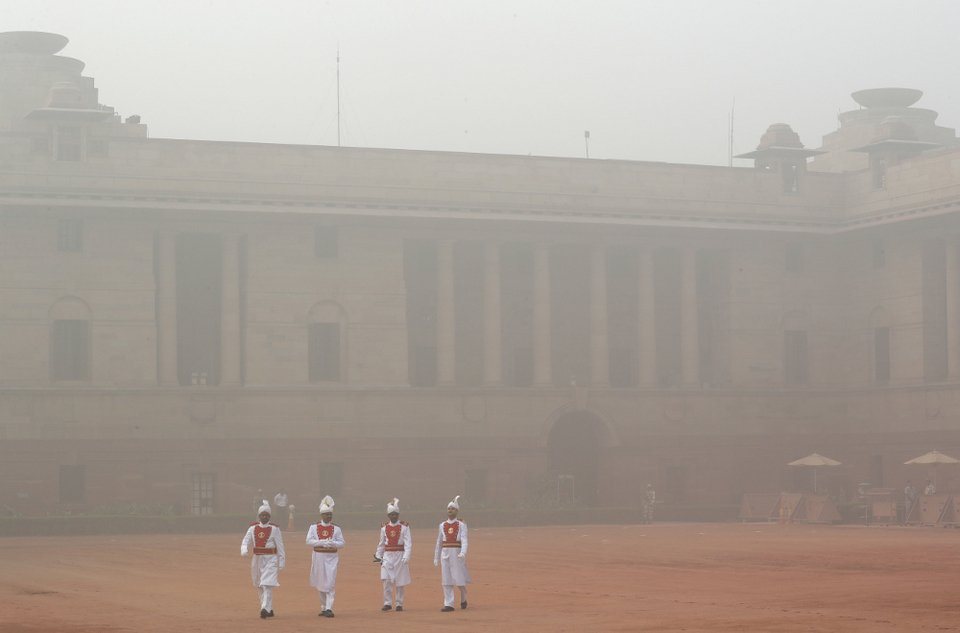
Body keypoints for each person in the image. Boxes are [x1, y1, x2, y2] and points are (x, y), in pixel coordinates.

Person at [240, 499, 286, 619]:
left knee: (267, 584)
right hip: (257, 559)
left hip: (271, 559)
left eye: (266, 515)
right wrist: (244, 549)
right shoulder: (252, 528)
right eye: (262, 515)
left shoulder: (275, 529)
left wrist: (281, 561)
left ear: (269, 516)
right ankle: (268, 608)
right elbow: (246, 541)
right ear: (259, 516)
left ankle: (264, 608)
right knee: (259, 584)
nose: (264, 517)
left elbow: (280, 546)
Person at [306, 495, 345, 618]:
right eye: (326, 514)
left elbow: (342, 543)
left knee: (330, 582)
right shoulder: (313, 527)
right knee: (320, 582)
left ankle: (329, 608)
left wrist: (333, 543)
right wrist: (322, 542)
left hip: (331, 557)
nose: (328, 516)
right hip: (318, 557)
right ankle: (323, 607)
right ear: (321, 515)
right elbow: (308, 541)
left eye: (330, 514)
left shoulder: (336, 529)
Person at [434, 494, 471, 612]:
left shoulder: (461, 525)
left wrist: (463, 553)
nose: (450, 510)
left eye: (453, 509)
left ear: (457, 511)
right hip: (445, 554)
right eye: (449, 509)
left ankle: (463, 594)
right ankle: (448, 604)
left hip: (457, 553)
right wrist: (436, 557)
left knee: (458, 579)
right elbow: (439, 542)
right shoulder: (442, 525)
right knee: (446, 579)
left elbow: (464, 540)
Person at [375, 497, 412, 612]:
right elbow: (381, 544)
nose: (394, 516)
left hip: (400, 555)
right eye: (392, 514)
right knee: (386, 580)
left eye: (396, 514)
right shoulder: (384, 528)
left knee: (400, 582)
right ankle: (387, 603)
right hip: (387, 556)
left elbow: (408, 543)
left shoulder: (405, 527)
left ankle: (399, 603)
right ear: (388, 516)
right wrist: (378, 556)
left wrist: (406, 556)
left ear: (398, 514)